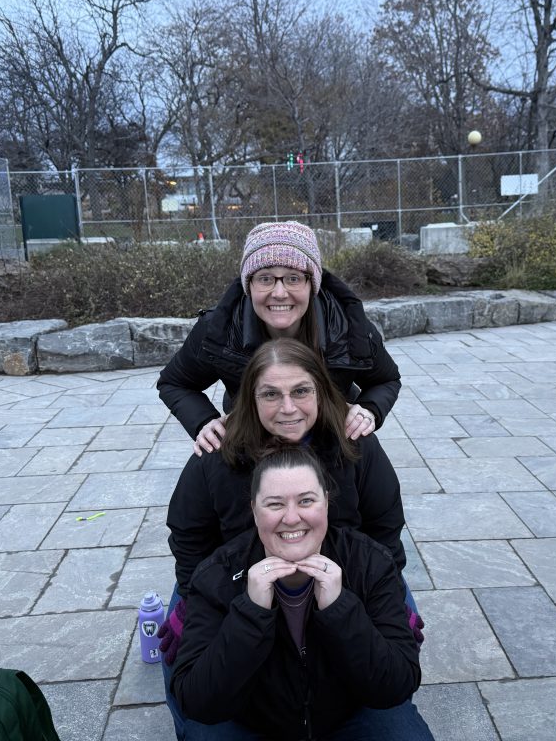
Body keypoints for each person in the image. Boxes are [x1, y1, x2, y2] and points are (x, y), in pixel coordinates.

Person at [160, 339, 413, 738]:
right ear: (251, 400)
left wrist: (377, 588)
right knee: (193, 673)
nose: (289, 407)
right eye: (271, 394)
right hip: (238, 576)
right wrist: (210, 598)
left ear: (321, 391)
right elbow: (189, 536)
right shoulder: (218, 450)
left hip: (347, 570)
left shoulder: (354, 441)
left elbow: (384, 525)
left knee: (391, 661)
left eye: (301, 391)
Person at [171, 446, 432, 740]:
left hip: (349, 717)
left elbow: (397, 684)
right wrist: (250, 614)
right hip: (253, 723)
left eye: (306, 500)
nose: (292, 518)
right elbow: (196, 702)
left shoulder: (370, 563)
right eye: (274, 504)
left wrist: (340, 609)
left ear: (327, 505)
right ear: (254, 511)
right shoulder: (217, 575)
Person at [157, 221, 401, 457]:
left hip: (332, 434)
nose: (279, 293)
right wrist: (203, 422)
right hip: (252, 436)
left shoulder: (348, 325)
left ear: (312, 283)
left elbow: (386, 379)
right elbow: (174, 382)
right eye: (265, 278)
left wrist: (369, 410)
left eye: (293, 278)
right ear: (248, 284)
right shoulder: (219, 328)